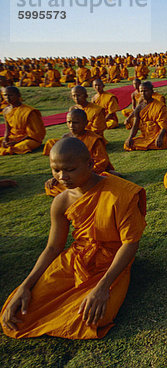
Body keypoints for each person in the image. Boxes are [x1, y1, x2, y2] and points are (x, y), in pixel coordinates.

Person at [1, 137, 146, 339]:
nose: (62, 177)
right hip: (78, 259)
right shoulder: (61, 201)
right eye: (55, 170)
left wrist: (103, 287)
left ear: (89, 164)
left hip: (113, 262)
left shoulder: (120, 192)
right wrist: (26, 285)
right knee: (17, 313)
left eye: (69, 170)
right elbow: (53, 247)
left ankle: (85, 302)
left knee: (94, 318)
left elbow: (130, 243)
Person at [43, 109, 118, 196]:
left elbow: (102, 162)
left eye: (75, 123)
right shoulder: (66, 138)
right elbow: (63, 163)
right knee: (52, 186)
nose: (71, 125)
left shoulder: (94, 139)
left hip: (90, 173)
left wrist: (82, 173)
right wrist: (58, 176)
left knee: (102, 179)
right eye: (69, 122)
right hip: (70, 174)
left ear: (85, 123)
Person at [124, 81, 167, 151]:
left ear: (151, 91)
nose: (143, 93)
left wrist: (160, 136)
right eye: (141, 91)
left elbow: (164, 125)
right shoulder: (139, 107)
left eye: (145, 91)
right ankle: (147, 144)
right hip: (146, 136)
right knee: (128, 144)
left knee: (163, 142)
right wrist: (129, 137)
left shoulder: (159, 106)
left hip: (158, 134)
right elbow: (135, 125)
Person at [0, 86, 46, 155]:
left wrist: (17, 142)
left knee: (23, 146)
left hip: (30, 139)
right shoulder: (6, 110)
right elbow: (8, 128)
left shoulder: (29, 111)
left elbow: (35, 133)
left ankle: (11, 149)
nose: (7, 98)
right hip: (13, 137)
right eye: (5, 95)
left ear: (18, 95)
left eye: (10, 95)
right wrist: (5, 139)